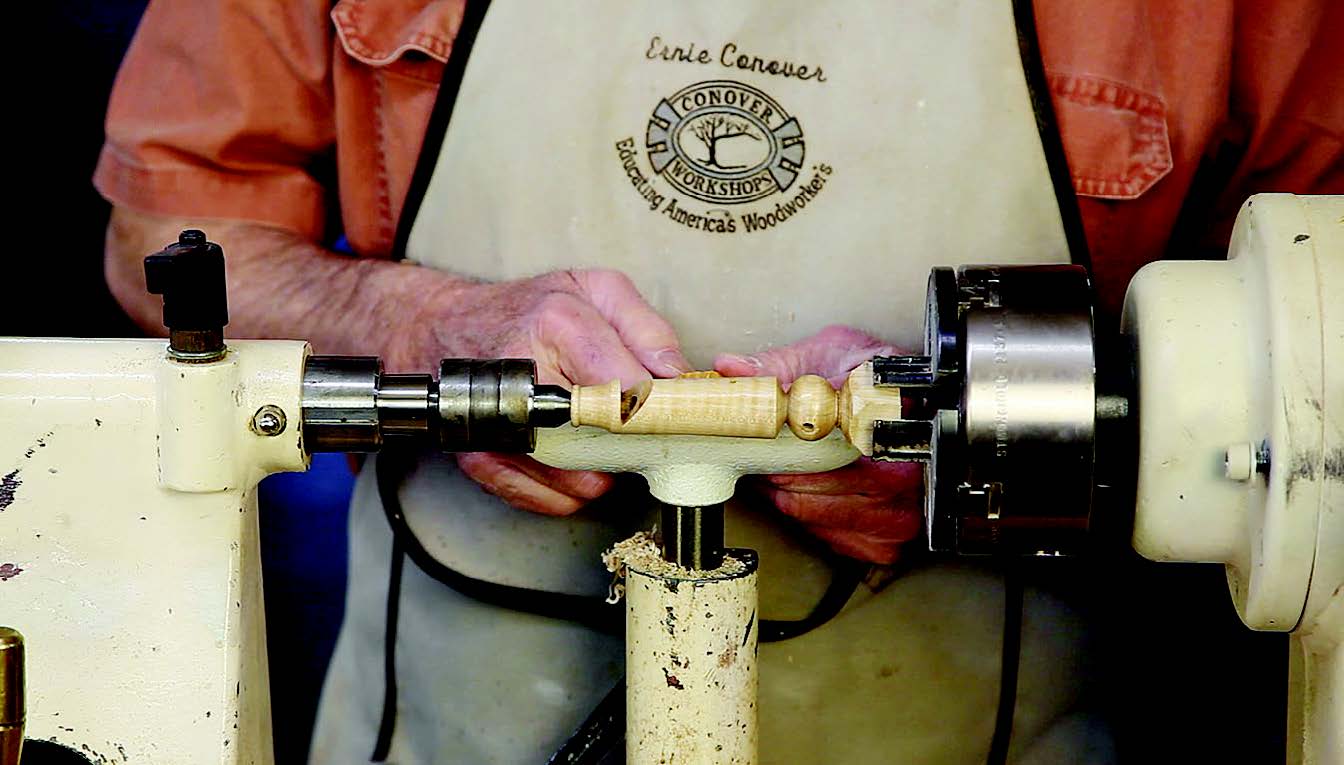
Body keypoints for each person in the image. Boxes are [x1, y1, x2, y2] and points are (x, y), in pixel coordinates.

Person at [97, 1, 1341, 762]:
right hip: (450, 728)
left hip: (994, 729)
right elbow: (168, 237)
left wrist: (1022, 428)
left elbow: (1325, 342)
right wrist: (411, 316)